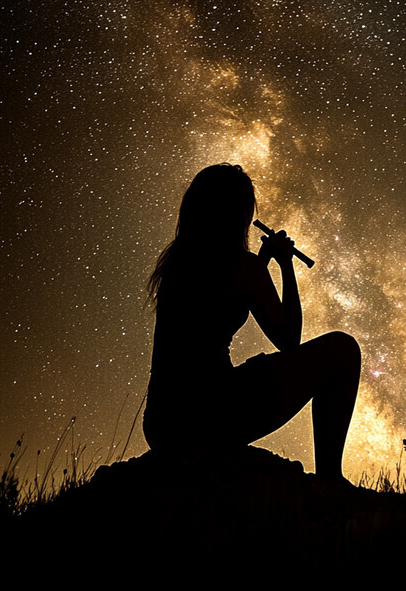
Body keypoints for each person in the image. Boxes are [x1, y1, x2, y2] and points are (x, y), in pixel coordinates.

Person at [142, 163, 361, 481]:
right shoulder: (242, 268)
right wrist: (285, 265)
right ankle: (330, 478)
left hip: (165, 424)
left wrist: (263, 259)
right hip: (215, 413)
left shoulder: (177, 264)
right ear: (237, 214)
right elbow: (289, 339)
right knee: (343, 349)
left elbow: (224, 300)